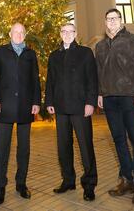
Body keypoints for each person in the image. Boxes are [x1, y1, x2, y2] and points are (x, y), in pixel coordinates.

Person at [95, 8, 134, 206]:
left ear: (121, 20)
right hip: (109, 98)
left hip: (129, 96)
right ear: (105, 22)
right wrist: (100, 94)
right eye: (108, 19)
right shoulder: (100, 46)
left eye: (114, 18)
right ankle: (126, 180)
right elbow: (99, 72)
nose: (111, 22)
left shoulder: (132, 40)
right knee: (118, 139)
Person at [45, 23, 98, 201]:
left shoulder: (85, 52)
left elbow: (92, 79)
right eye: (64, 31)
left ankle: (89, 184)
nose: (67, 34)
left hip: (81, 107)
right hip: (60, 107)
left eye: (70, 31)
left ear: (76, 33)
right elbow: (50, 81)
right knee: (63, 147)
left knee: (85, 146)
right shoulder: (54, 56)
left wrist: (91, 102)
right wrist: (49, 101)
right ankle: (68, 180)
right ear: (60, 34)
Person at [0, 23, 41, 205]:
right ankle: (0, 186)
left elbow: (35, 80)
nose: (18, 35)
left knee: (24, 149)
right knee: (2, 148)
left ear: (25, 36)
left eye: (22, 33)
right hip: (4, 107)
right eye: (16, 32)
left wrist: (36, 102)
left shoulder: (30, 54)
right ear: (10, 33)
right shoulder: (0, 51)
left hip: (26, 107)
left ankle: (21, 183)